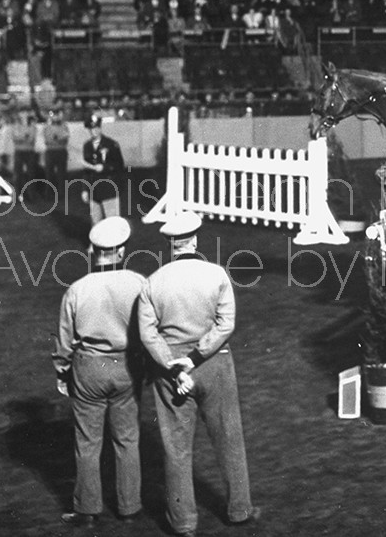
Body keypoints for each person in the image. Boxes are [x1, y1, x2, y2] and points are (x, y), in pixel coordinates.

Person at [138, 211, 260, 537]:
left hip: (170, 371)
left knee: (176, 447)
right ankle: (239, 509)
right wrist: (195, 356)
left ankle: (183, 522)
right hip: (214, 364)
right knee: (229, 438)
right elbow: (226, 325)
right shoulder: (216, 274)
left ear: (170, 244)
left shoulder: (153, 282)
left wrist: (172, 363)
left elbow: (148, 334)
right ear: (195, 239)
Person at [52, 216, 145, 527]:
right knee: (127, 438)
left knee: (88, 441)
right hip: (127, 367)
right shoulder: (138, 283)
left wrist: (62, 371)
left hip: (89, 367)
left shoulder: (77, 289)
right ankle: (130, 506)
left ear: (93, 250)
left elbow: (65, 340)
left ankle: (87, 510)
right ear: (121, 251)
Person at [82, 114, 125, 224]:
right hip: (93, 190)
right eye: (91, 129)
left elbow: (119, 165)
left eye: (96, 128)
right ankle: (95, 242)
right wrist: (85, 190)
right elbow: (86, 170)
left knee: (112, 222)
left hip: (109, 189)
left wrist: (105, 167)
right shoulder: (87, 146)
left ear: (100, 128)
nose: (94, 131)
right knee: (96, 223)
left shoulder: (111, 144)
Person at [42, 105, 69, 199]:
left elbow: (65, 139)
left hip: (61, 151)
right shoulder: (46, 127)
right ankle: (48, 194)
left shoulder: (64, 126)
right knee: (49, 174)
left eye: (57, 114)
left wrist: (56, 139)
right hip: (50, 151)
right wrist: (57, 139)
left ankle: (62, 194)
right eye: (53, 114)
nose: (55, 116)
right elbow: (47, 140)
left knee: (62, 174)